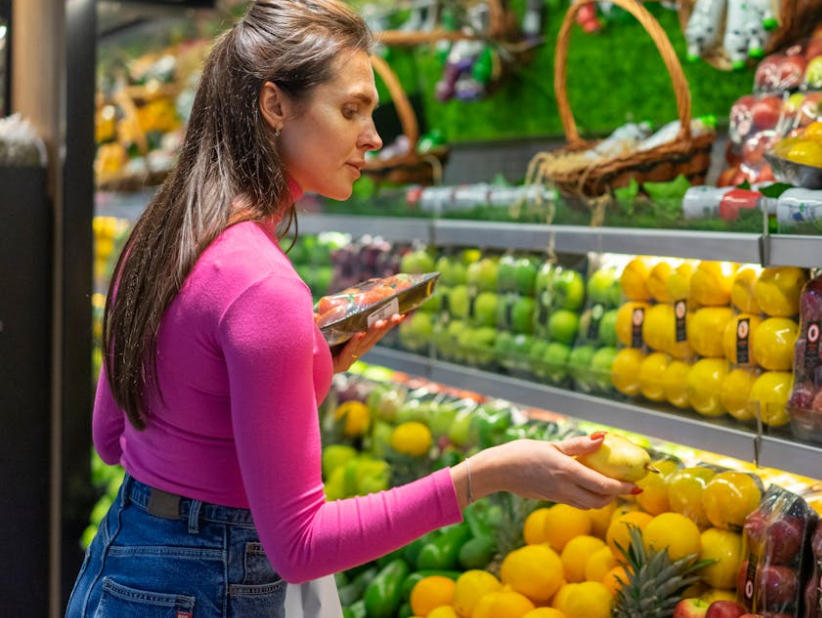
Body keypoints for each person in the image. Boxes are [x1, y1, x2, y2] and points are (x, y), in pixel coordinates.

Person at [66, 1, 636, 616]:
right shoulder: (264, 288)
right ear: (274, 105)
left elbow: (113, 439)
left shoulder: (161, 234)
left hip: (124, 562)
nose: (374, 136)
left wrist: (307, 369)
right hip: (210, 586)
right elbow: (301, 548)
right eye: (351, 109)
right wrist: (484, 474)